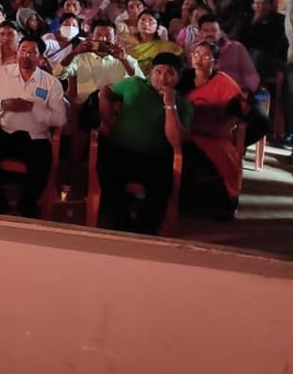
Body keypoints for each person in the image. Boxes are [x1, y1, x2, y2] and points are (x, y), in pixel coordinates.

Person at [93, 53, 192, 234]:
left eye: (170, 73)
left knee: (162, 187)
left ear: (178, 76)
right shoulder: (134, 84)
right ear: (150, 73)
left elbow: (175, 140)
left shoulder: (183, 104)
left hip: (155, 157)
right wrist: (105, 107)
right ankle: (122, 225)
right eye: (158, 72)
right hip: (120, 150)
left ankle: (144, 231)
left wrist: (169, 105)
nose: (162, 78)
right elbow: (106, 90)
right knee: (108, 174)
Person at [0, 36, 67, 218]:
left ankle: (27, 206)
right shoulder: (0, 74)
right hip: (5, 131)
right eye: (23, 50)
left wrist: (34, 108)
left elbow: (60, 119)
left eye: (32, 52)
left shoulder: (51, 83)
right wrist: (4, 104)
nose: (26, 55)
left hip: (36, 137)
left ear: (40, 57)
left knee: (40, 165)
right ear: (17, 52)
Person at [179, 40, 248, 219]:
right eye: (196, 54)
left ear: (216, 62)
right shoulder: (182, 78)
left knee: (222, 162)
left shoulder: (223, 82)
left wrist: (222, 127)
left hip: (214, 135)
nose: (199, 59)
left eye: (205, 56)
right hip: (186, 132)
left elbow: (239, 113)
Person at [56, 20, 142, 106]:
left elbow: (140, 82)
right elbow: (58, 73)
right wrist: (74, 53)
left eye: (108, 36)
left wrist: (124, 61)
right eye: (98, 35)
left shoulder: (124, 58)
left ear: (115, 38)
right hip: (86, 109)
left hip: (116, 108)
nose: (103, 39)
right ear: (91, 37)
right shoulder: (80, 57)